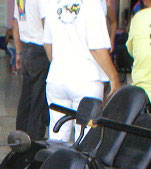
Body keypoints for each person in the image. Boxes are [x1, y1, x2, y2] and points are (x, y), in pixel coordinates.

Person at [43, 0, 121, 142]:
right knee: (86, 138)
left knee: (57, 136)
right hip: (87, 81)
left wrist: (59, 64)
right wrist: (114, 77)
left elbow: (48, 44)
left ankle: (57, 164)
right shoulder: (93, 4)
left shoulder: (53, 4)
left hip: (56, 79)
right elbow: (96, 47)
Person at [12, 0, 50, 140]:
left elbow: (15, 23)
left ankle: (19, 140)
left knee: (26, 98)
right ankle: (34, 142)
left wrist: (18, 52)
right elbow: (47, 24)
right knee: (38, 100)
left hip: (26, 49)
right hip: (41, 49)